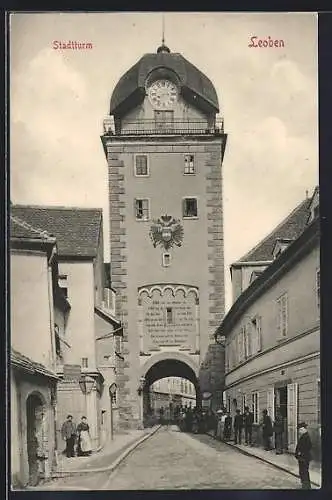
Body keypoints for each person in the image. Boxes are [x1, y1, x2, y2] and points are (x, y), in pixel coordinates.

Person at [295, 422, 312, 489]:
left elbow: (309, 446)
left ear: (304, 429)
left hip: (304, 458)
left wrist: (301, 453)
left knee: (304, 472)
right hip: (302, 458)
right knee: (302, 471)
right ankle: (304, 485)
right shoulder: (303, 436)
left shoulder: (306, 436)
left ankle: (306, 486)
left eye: (300, 430)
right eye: (299, 430)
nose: (299, 431)